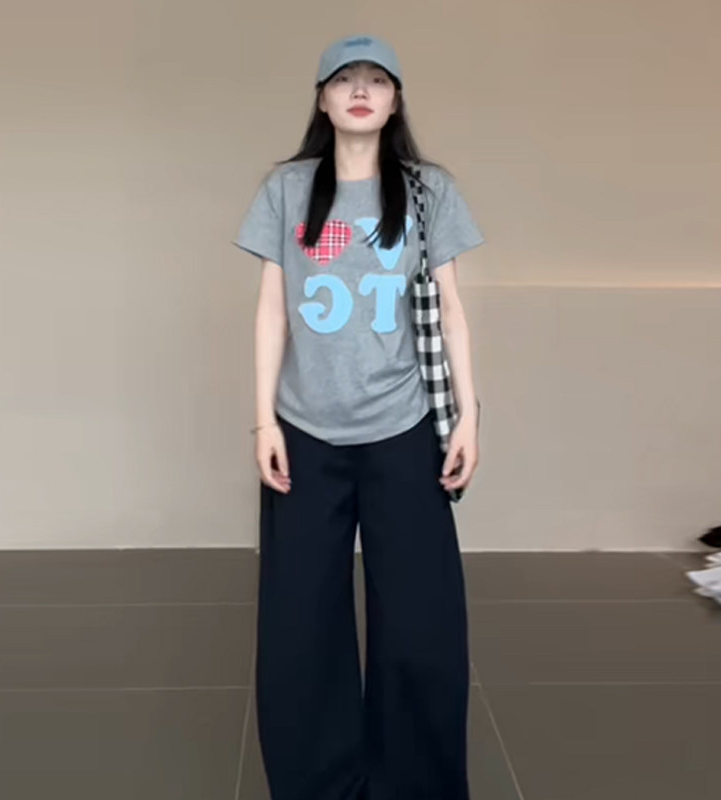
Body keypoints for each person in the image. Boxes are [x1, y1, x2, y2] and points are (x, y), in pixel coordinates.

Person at [233, 33, 485, 800]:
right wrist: (264, 421)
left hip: (403, 430)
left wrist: (468, 417)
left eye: (378, 79)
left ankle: (416, 783)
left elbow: (451, 310)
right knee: (300, 624)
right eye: (345, 79)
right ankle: (320, 782)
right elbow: (271, 311)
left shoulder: (429, 190)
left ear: (396, 100)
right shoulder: (287, 190)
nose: (362, 90)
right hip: (304, 434)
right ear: (322, 99)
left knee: (420, 621)